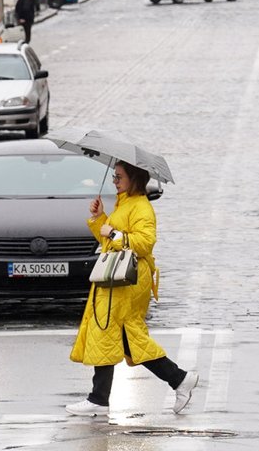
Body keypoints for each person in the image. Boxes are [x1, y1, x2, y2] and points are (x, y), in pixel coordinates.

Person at [67, 161, 198, 417]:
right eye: (114, 177)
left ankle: (98, 399)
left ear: (134, 179)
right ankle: (179, 379)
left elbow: (144, 243)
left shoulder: (141, 207)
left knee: (107, 330)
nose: (114, 181)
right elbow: (111, 239)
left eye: (119, 177)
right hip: (118, 280)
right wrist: (99, 219)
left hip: (127, 282)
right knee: (126, 338)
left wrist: (113, 232)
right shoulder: (125, 203)